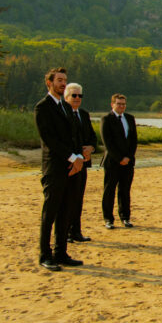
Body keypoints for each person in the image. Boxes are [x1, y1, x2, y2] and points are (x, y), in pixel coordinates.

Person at [34, 67, 84, 271]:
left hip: (71, 167)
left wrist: (78, 157)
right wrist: (72, 157)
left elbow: (72, 136)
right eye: (59, 80)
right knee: (50, 212)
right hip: (54, 167)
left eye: (65, 80)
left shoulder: (65, 106)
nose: (63, 83)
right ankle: (45, 255)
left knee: (65, 211)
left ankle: (61, 252)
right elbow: (49, 139)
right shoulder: (42, 107)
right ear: (49, 83)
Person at [64, 82, 98, 243]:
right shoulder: (63, 114)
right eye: (74, 95)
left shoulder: (83, 114)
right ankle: (65, 233)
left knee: (78, 198)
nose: (77, 98)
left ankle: (76, 232)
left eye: (80, 95)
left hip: (83, 162)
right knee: (66, 200)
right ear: (66, 97)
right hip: (68, 163)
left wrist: (91, 148)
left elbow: (92, 136)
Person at [100, 93, 138, 229]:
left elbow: (133, 140)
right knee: (109, 191)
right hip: (112, 162)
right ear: (112, 104)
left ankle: (125, 217)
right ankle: (108, 219)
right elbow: (107, 142)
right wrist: (119, 158)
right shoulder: (106, 119)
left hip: (128, 163)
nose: (121, 106)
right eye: (118, 104)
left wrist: (128, 157)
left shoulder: (129, 118)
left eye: (123, 104)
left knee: (125, 191)